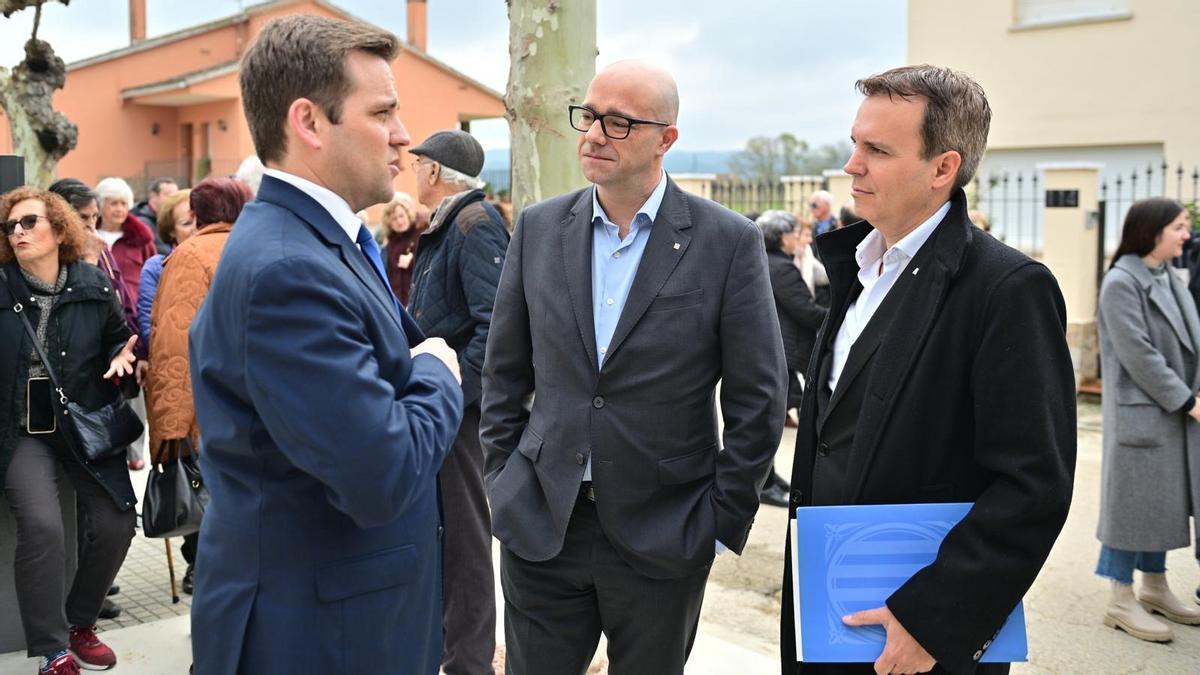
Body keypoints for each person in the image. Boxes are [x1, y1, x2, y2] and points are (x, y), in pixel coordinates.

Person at [481, 60, 786, 675]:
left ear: (666, 138)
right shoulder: (539, 228)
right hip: (544, 522)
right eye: (589, 115)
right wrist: (503, 479)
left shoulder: (726, 241)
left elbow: (759, 396)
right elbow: (505, 372)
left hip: (665, 532)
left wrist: (720, 517)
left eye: (618, 123)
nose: (593, 133)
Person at [187, 16, 464, 674]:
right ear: (309, 123)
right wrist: (439, 375)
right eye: (384, 112)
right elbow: (382, 475)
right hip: (320, 638)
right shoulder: (287, 269)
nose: (403, 136)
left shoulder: (317, 241)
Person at [781, 65, 1076, 675]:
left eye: (877, 150)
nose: (851, 165)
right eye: (855, 143)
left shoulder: (1008, 289)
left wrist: (935, 619)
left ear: (943, 168)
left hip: (922, 639)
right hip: (832, 617)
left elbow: (1032, 488)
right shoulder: (857, 271)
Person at [0, 187, 139, 674]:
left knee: (118, 520)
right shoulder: (0, 286)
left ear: (58, 228)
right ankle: (52, 649)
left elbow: (120, 340)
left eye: (29, 222)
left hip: (83, 423)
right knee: (42, 527)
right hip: (21, 432)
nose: (18, 232)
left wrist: (124, 356)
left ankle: (81, 622)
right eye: (10, 226)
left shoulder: (92, 285)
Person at [408, 128, 509, 674]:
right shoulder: (451, 223)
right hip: (445, 407)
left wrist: (452, 392)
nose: (411, 169)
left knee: (467, 538)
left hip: (461, 414)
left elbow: (498, 328)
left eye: (417, 162)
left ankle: (468, 663)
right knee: (448, 533)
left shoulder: (473, 223)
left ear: (433, 171)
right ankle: (454, 652)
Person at [1095, 197, 1200, 642]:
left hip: (1170, 413)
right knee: (1132, 506)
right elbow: (1139, 354)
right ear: (1153, 230)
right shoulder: (1121, 282)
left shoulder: (1168, 276)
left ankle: (1154, 587)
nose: (1186, 235)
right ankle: (1120, 599)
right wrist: (1186, 400)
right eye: (1179, 226)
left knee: (1160, 503)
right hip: (1147, 413)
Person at [145, 177, 251, 597]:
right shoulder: (258, 246)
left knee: (214, 518)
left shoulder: (188, 255)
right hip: (259, 406)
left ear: (197, 213)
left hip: (212, 410)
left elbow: (173, 343)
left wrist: (169, 432)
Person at [758, 210, 827, 507]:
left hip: (773, 348)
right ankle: (764, 483)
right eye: (796, 233)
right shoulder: (782, 268)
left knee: (769, 418)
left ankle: (768, 478)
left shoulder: (767, 261)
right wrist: (840, 318)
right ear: (783, 237)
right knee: (769, 421)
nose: (800, 239)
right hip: (782, 350)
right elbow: (805, 310)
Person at [136, 188, 194, 349]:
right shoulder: (156, 267)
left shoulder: (222, 261)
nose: (196, 229)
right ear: (171, 231)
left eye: (202, 221)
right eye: (186, 223)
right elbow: (149, 330)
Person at [96, 177, 158, 304]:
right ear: (100, 206)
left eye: (123, 204)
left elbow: (156, 275)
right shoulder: (90, 237)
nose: (119, 209)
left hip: (134, 311)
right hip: (98, 307)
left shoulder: (141, 239)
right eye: (113, 203)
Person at [381, 191, 421, 305]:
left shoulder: (421, 234)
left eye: (401, 216)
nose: (399, 221)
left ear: (408, 214)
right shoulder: (389, 243)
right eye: (394, 218)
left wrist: (412, 261)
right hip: (396, 304)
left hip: (417, 303)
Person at [131, 177, 179, 254]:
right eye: (168, 195)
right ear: (153, 196)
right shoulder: (142, 223)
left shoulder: (176, 219)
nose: (173, 199)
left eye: (176, 195)